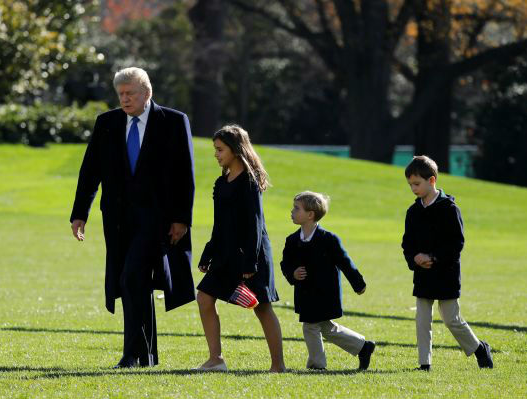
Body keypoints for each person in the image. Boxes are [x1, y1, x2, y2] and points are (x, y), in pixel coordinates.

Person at [70, 67, 196, 368]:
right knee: (135, 281)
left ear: (147, 93)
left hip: (157, 221)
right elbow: (90, 171)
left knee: (129, 278)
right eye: (121, 94)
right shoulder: (107, 123)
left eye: (131, 93)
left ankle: (131, 354)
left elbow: (185, 175)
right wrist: (80, 214)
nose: (125, 99)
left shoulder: (175, 121)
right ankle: (148, 355)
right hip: (117, 219)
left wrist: (182, 219)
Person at [196, 125, 285, 372]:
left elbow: (255, 224)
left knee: (262, 308)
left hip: (251, 255)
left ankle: (278, 366)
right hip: (225, 255)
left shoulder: (249, 181)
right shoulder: (220, 182)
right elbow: (219, 223)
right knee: (204, 297)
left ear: (235, 150)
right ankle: (216, 359)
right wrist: (208, 253)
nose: (216, 154)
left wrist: (250, 264)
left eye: (220, 149)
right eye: (215, 149)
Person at [402, 155, 494, 371]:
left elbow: (456, 243)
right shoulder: (413, 212)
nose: (413, 188)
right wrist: (415, 258)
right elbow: (407, 243)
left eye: (417, 184)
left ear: (432, 180)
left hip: (446, 273)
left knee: (451, 319)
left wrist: (433, 258)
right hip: (423, 274)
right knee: (422, 320)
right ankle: (425, 364)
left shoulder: (449, 209)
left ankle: (479, 349)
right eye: (410, 185)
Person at [280, 191, 376, 371]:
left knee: (310, 327)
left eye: (296, 208)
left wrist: (358, 283)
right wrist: (292, 273)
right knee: (325, 328)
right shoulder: (292, 240)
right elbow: (285, 263)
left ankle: (317, 365)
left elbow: (345, 262)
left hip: (325, 294)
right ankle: (363, 347)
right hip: (305, 294)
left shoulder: (328, 239)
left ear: (310, 215)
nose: (292, 211)